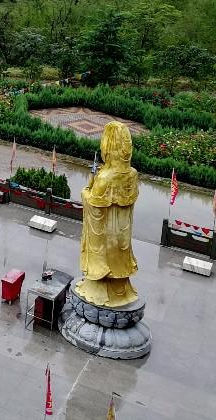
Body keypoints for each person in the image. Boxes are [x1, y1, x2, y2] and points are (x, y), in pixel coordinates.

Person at [76, 121, 139, 307]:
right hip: (121, 238)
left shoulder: (105, 178)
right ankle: (121, 291)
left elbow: (94, 205)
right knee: (119, 260)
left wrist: (86, 191)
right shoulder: (132, 174)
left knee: (103, 259)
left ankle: (98, 291)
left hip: (105, 241)